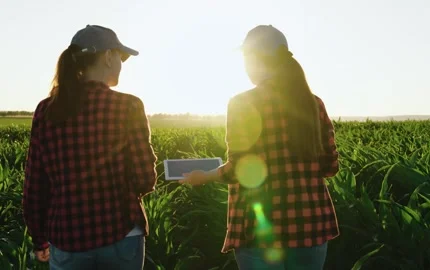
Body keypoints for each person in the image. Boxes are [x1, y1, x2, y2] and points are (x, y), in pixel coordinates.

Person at [180, 25, 340, 270]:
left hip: (259, 228)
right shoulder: (313, 103)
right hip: (310, 225)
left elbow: (239, 170)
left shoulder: (243, 103)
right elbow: (330, 166)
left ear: (253, 58)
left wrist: (205, 176)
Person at [22, 25, 158, 270]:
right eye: (120, 57)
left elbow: (35, 186)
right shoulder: (128, 106)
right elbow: (144, 179)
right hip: (121, 235)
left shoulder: (46, 110)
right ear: (107, 57)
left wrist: (39, 239)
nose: (121, 64)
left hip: (66, 239)